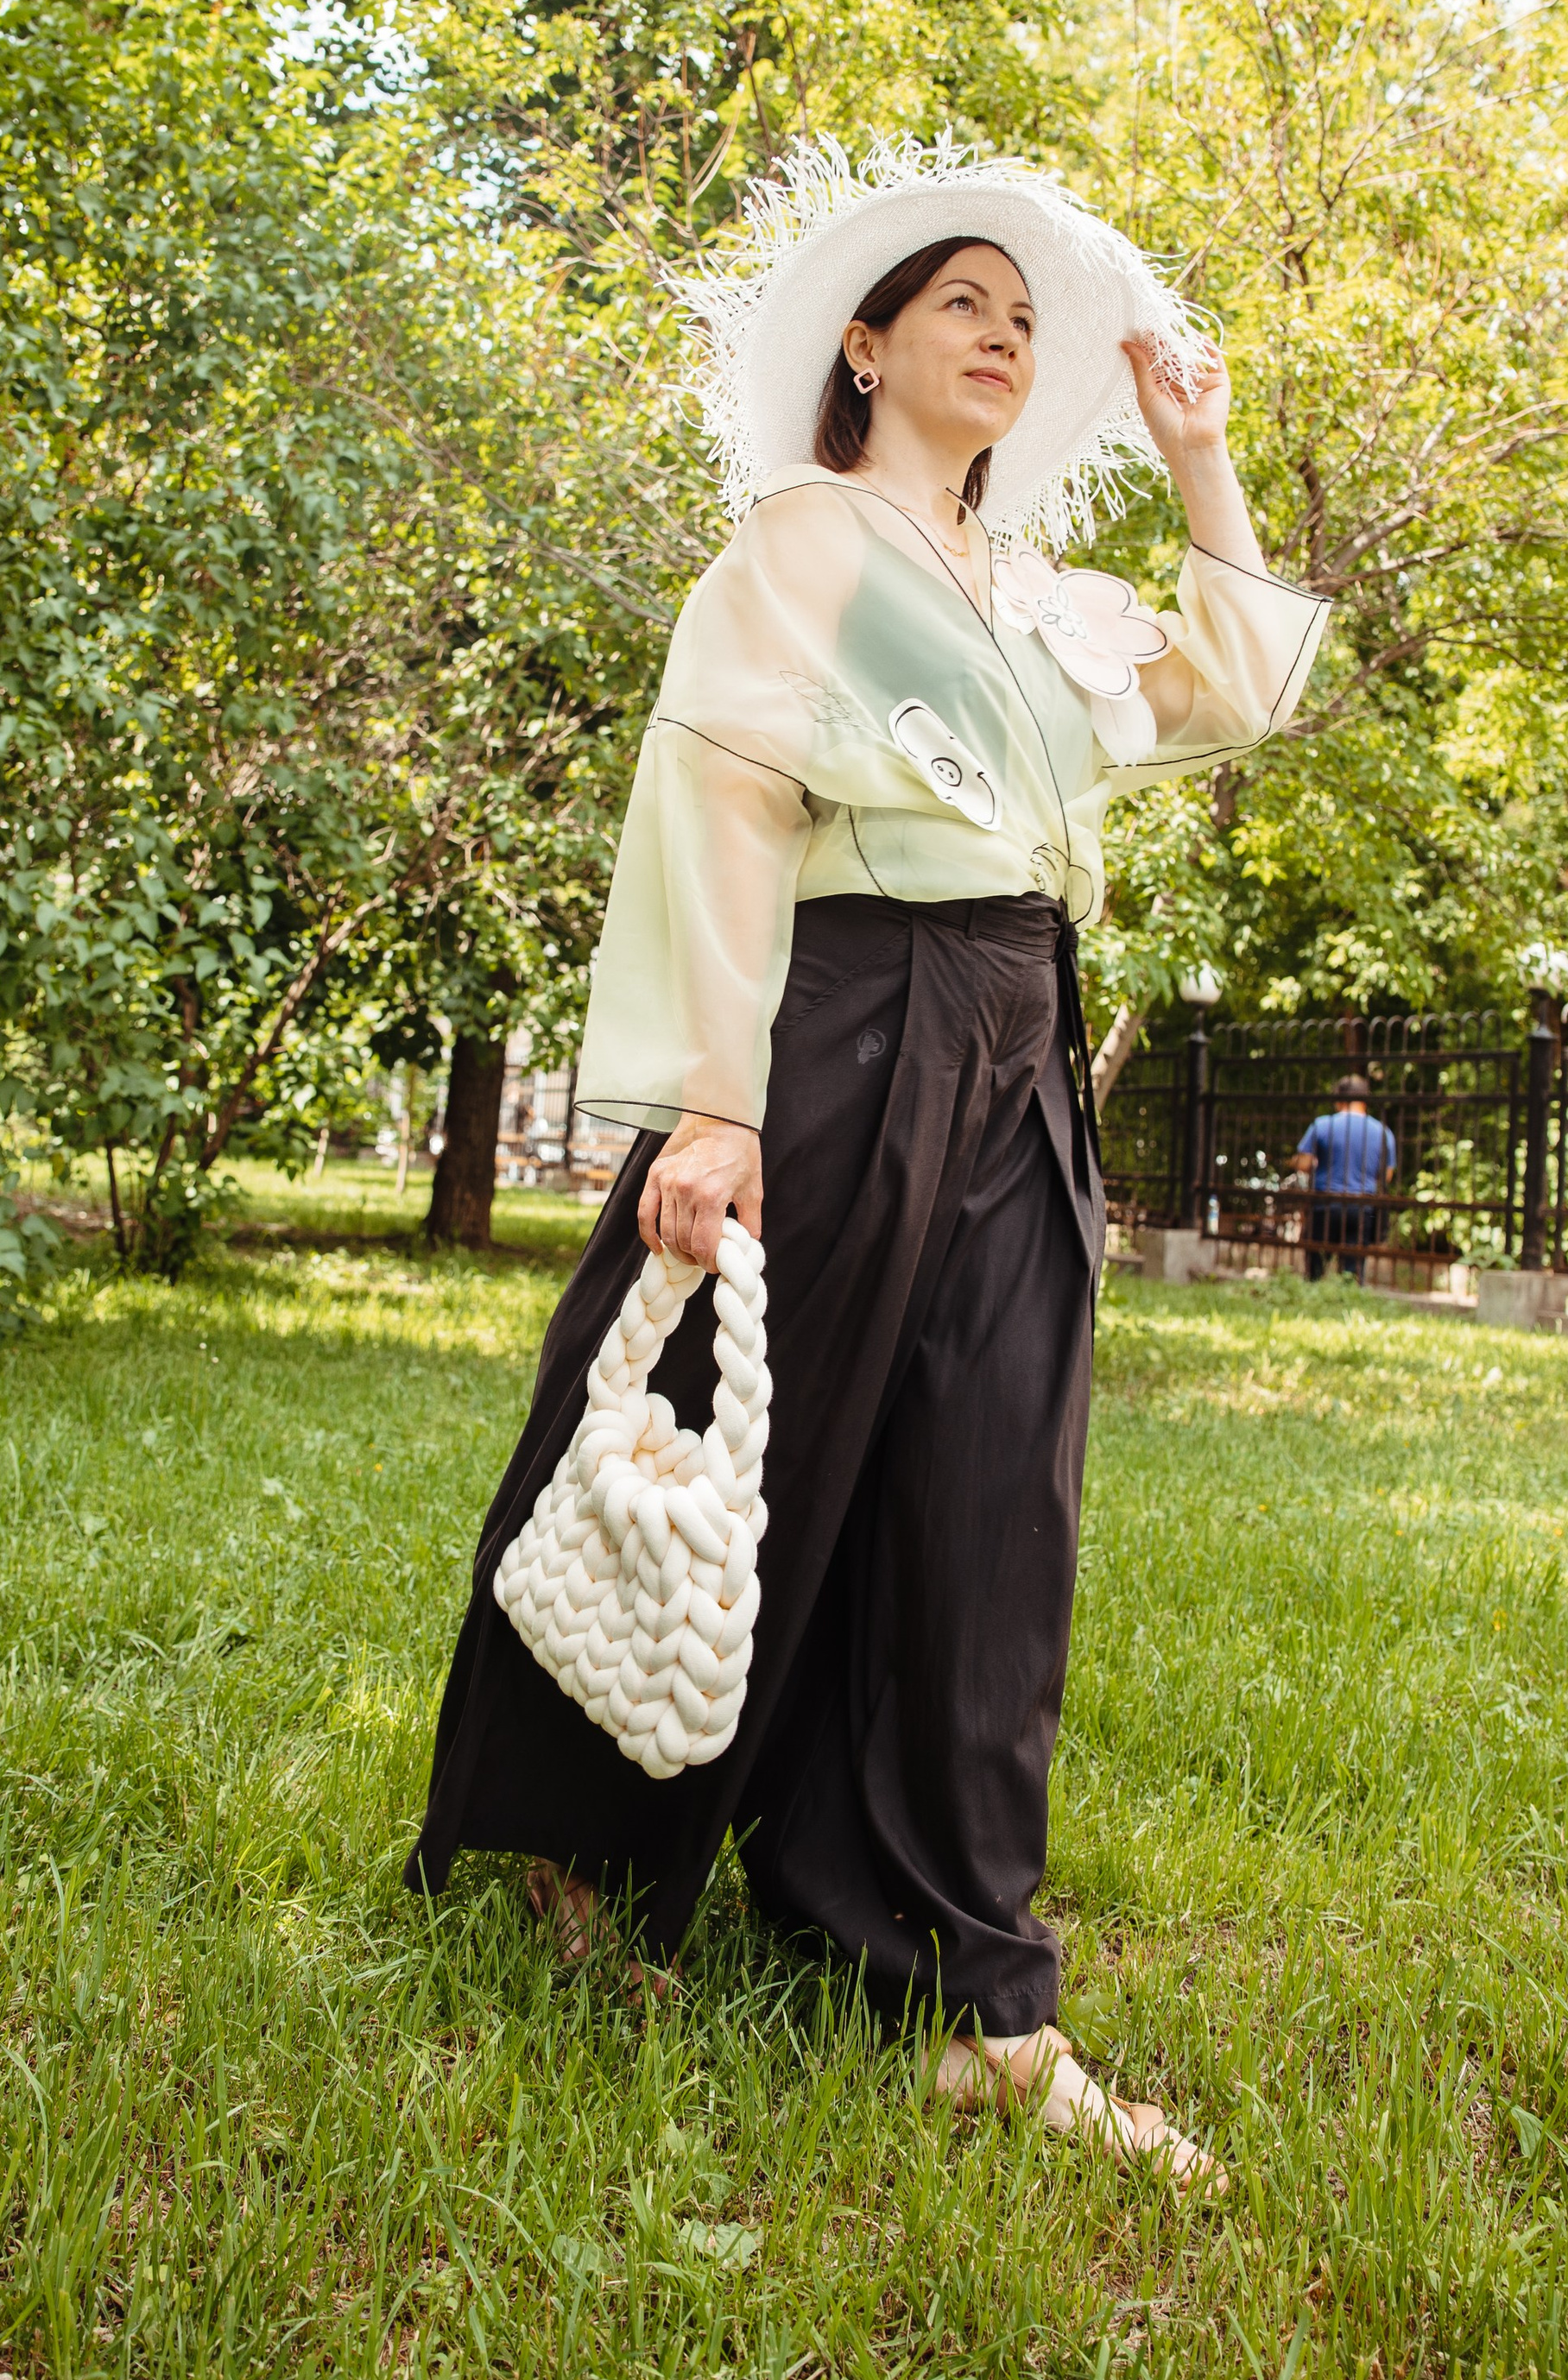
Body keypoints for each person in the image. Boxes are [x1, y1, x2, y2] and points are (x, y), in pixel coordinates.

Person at [406, 148, 1328, 2184]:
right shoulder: (803, 543)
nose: (1004, 336)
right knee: (718, 1432)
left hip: (1012, 1023)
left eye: (1026, 319)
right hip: (833, 1015)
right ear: (866, 340)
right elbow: (728, 791)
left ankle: (949, 1981)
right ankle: (574, 1852)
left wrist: (1198, 456)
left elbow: (1233, 698)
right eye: (962, 305)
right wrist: (711, 1101)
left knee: (992, 1492)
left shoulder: (1034, 598)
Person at [1292, 1073, 1394, 1284]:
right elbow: (1387, 1176)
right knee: (1353, 1267)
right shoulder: (1383, 1132)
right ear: (1365, 1101)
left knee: (1316, 1265)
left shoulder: (1322, 1124)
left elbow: (1303, 1164)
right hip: (1362, 1206)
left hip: (1325, 1204)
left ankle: (1312, 1293)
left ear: (1338, 1099)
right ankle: (1348, 1296)